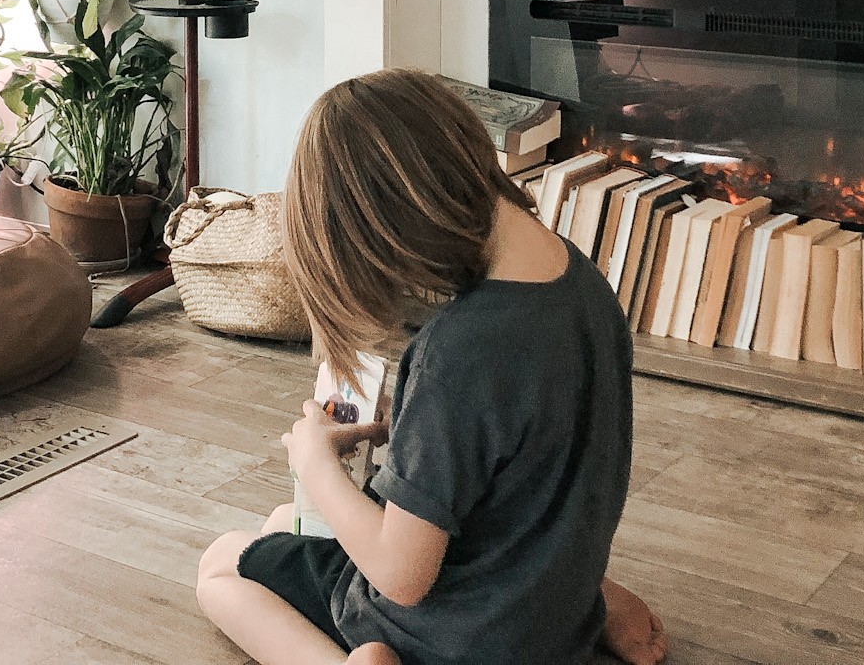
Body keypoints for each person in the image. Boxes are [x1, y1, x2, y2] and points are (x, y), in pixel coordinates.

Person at [196, 70, 668, 665]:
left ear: (390, 226)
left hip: (447, 639)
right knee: (280, 523)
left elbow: (402, 576)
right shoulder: (584, 287)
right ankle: (594, 601)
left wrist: (315, 465)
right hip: (547, 620)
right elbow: (535, 470)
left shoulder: (460, 351)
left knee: (222, 564)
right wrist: (410, 433)